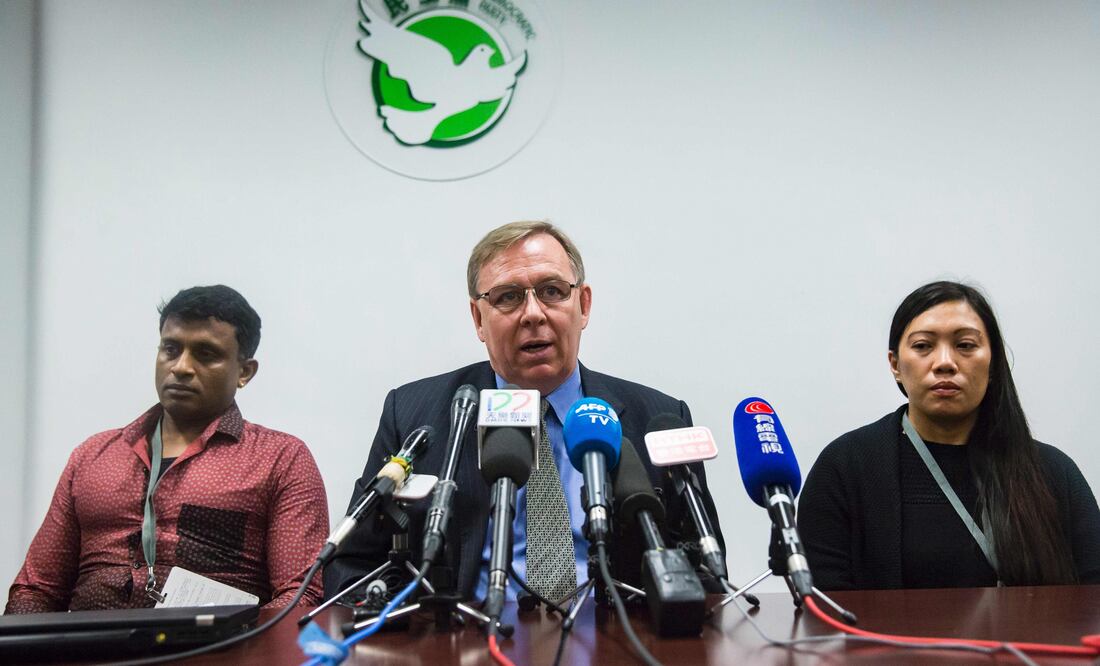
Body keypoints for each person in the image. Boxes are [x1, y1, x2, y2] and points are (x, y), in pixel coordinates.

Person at [324, 221, 725, 603]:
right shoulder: (417, 415)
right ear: (478, 318)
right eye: (508, 297)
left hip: (616, 643)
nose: (533, 313)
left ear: (583, 305)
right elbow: (353, 567)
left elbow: (706, 571)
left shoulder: (653, 417)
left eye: (552, 291)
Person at [6, 285, 329, 613]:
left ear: (244, 372)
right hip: (87, 653)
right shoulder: (92, 455)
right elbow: (36, 589)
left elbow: (299, 598)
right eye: (171, 349)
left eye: (206, 354)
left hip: (213, 653)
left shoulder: (281, 459)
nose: (182, 367)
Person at [800, 280, 1100, 590]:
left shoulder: (1052, 473)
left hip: (1031, 641)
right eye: (923, 346)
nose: (945, 362)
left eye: (965, 345)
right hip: (884, 642)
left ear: (994, 362)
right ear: (895, 365)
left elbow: (1092, 600)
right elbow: (824, 605)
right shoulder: (846, 467)